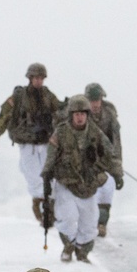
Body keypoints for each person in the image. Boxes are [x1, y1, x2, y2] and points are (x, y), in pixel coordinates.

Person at [42, 94, 123, 263]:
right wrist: (46, 177)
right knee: (68, 217)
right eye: (76, 114)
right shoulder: (61, 132)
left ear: (87, 115)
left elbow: (111, 154)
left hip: (88, 184)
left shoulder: (95, 133)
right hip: (66, 182)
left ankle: (82, 251)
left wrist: (117, 174)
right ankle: (69, 245)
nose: (79, 117)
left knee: (89, 222)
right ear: (71, 115)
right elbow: (51, 155)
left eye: (82, 114)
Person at [0, 63, 63, 223]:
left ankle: (50, 209)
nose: (39, 81)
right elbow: (4, 119)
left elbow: (60, 110)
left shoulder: (48, 95)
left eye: (41, 78)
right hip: (27, 144)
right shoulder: (19, 97)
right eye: (36, 78)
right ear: (30, 78)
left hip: (46, 142)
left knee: (51, 175)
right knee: (34, 176)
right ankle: (38, 203)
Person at [84, 83, 123, 238]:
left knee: (107, 189)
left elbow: (116, 144)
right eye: (92, 100)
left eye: (97, 100)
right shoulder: (79, 114)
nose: (95, 104)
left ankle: (101, 223)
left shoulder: (109, 115)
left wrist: (117, 171)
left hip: (105, 161)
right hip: (84, 162)